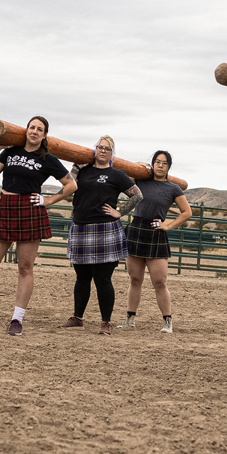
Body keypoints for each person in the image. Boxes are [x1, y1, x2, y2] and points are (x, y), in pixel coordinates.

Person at [0, 116, 77, 336]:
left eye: (40, 129)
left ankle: (17, 320)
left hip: (29, 211)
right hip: (5, 207)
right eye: (32, 127)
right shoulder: (10, 152)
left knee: (25, 269)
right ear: (26, 130)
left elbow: (71, 185)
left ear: (45, 135)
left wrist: (47, 200)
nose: (35, 131)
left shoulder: (47, 158)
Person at [58, 136, 142, 335]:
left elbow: (137, 194)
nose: (102, 151)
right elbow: (68, 188)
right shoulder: (83, 171)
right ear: (95, 149)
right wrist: (76, 167)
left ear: (112, 153)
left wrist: (120, 212)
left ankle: (106, 322)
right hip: (80, 226)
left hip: (105, 229)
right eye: (99, 147)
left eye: (107, 148)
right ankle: (78, 318)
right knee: (82, 277)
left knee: (103, 278)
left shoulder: (116, 175)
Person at [120, 150, 192, 333]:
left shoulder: (173, 188)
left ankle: (167, 322)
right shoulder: (141, 180)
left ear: (169, 167)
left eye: (164, 163)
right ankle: (130, 319)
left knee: (159, 281)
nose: (160, 165)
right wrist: (135, 165)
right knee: (135, 279)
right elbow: (123, 176)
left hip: (155, 231)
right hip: (136, 229)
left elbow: (187, 212)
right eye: (157, 162)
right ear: (152, 164)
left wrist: (168, 226)